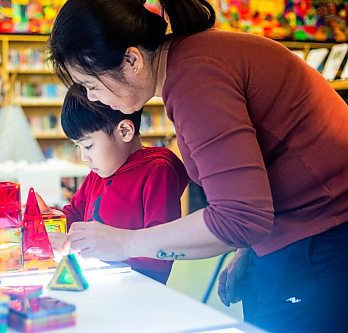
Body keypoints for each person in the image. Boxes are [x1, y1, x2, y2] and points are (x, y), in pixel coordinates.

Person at [48, 0, 348, 332]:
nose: (92, 98)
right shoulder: (191, 64)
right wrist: (251, 250)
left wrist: (125, 242)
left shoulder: (195, 78)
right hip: (302, 234)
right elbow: (253, 182)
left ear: (132, 60)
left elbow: (238, 217)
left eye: (92, 85)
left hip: (325, 237)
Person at [44, 84, 189, 283]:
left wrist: (91, 247)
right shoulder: (100, 172)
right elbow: (73, 216)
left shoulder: (158, 171)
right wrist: (45, 218)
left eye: (88, 146)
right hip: (100, 281)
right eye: (78, 147)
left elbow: (161, 255)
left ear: (125, 130)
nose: (83, 157)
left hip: (139, 289)